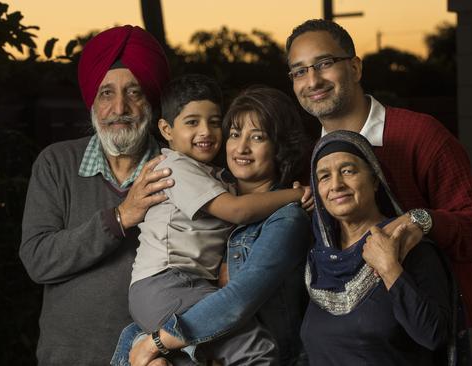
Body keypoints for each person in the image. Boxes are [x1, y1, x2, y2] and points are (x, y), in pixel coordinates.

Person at [285, 19, 472, 326]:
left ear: (356, 68)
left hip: (423, 341)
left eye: (325, 63)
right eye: (300, 71)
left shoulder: (420, 135)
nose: (313, 80)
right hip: (343, 345)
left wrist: (422, 221)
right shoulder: (309, 164)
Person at [119, 86, 313, 366]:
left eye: (257, 137)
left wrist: (155, 343)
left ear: (280, 147)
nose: (241, 147)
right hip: (169, 288)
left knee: (257, 353)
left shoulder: (286, 218)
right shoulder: (214, 191)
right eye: (235, 134)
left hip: (275, 352)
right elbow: (239, 211)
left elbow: (238, 299)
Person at [20, 25, 174, 365]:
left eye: (133, 92)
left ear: (150, 99)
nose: (120, 107)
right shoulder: (56, 164)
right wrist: (120, 217)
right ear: (92, 100)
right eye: (106, 93)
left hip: (154, 360)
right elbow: (38, 259)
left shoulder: (176, 169)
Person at [301, 129, 454, 365]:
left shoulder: (409, 245)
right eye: (324, 176)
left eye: (348, 171)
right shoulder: (318, 261)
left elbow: (434, 335)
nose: (336, 184)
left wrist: (389, 267)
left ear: (374, 180)